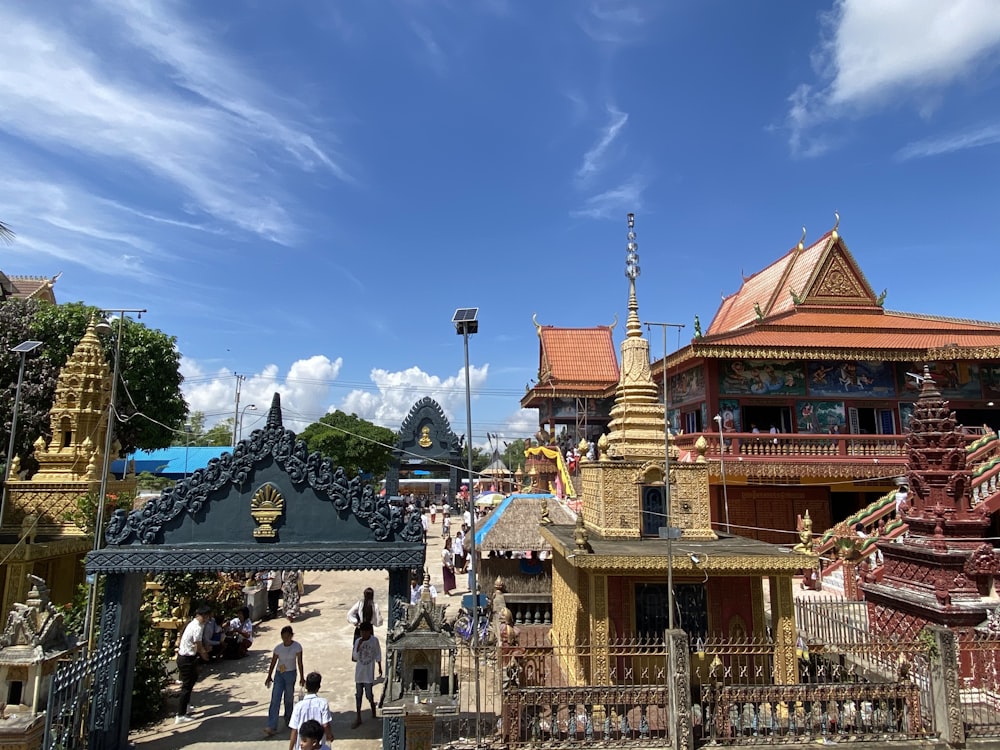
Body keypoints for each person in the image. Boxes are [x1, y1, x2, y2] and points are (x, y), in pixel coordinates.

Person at [264, 625, 305, 737]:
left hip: (291, 674)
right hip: (279, 674)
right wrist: (269, 676)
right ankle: (272, 725)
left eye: (287, 637)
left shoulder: (297, 647)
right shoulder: (278, 648)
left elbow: (300, 663)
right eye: (283, 637)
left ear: (291, 636)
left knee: (288, 698)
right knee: (275, 699)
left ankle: (289, 718)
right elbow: (273, 663)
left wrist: (302, 677)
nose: (285, 639)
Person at [175, 605, 211, 724]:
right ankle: (180, 715)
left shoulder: (193, 624)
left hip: (188, 658)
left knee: (191, 682)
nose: (207, 618)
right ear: (202, 616)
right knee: (186, 686)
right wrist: (204, 654)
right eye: (206, 616)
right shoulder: (197, 627)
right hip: (186, 659)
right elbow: (198, 644)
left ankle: (186, 706)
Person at [288, 672, 334, 750]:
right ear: (318, 687)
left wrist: (290, 748)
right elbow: (325, 724)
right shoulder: (323, 703)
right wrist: (329, 736)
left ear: (306, 685)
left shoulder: (298, 706)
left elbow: (294, 730)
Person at [351, 621, 382, 728]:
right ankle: (358, 716)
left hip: (368, 673)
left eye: (365, 632)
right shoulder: (357, 641)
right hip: (359, 673)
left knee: (369, 694)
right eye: (362, 632)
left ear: (369, 632)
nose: (363, 634)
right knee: (358, 695)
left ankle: (373, 708)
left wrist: (379, 666)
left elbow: (378, 653)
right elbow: (354, 657)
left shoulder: (374, 641)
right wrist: (358, 646)